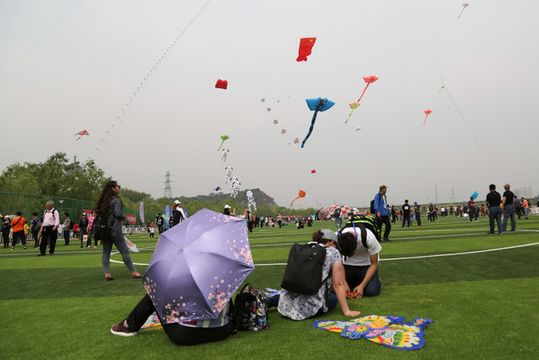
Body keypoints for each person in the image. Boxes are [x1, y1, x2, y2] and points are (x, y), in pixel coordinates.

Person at [267, 229, 361, 320]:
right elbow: (337, 285)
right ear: (331, 242)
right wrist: (347, 311)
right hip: (310, 309)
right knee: (332, 299)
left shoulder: (305, 247)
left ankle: (269, 301)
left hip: (285, 307)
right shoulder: (333, 252)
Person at [95, 180, 143, 281]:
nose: (119, 188)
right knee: (124, 252)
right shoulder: (116, 200)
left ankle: (107, 274)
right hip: (115, 228)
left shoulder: (103, 201)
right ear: (113, 188)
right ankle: (133, 272)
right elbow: (117, 213)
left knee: (106, 252)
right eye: (118, 186)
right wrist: (123, 216)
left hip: (105, 229)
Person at [338, 223, 383, 298]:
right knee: (335, 290)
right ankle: (355, 281)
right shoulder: (337, 237)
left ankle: (376, 282)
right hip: (347, 266)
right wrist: (344, 283)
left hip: (367, 265)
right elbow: (339, 263)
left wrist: (362, 286)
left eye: (351, 254)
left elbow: (374, 264)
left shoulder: (369, 237)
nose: (349, 257)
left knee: (371, 292)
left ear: (356, 243)